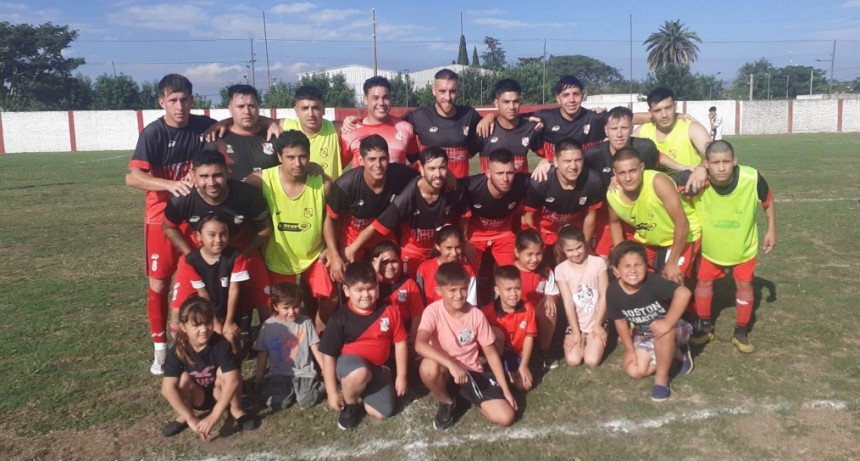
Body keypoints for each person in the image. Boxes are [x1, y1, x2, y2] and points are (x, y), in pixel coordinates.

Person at [126, 73, 216, 375]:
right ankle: (161, 349)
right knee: (160, 283)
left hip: (194, 215)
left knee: (198, 277)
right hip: (160, 218)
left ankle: (196, 340)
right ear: (162, 102)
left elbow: (230, 124)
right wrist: (171, 184)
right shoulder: (153, 133)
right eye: (173, 100)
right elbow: (132, 177)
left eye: (185, 99)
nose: (179, 105)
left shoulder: (203, 126)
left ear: (192, 101)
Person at [163, 149, 272, 349]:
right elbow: (168, 226)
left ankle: (272, 352)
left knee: (267, 303)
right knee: (177, 310)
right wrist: (192, 256)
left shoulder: (247, 195)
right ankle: (181, 353)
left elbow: (265, 228)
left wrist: (242, 255)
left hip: (240, 249)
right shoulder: (183, 197)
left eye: (217, 175)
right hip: (199, 251)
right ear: (193, 176)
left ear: (227, 172)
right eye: (204, 176)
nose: (211, 182)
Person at [689, 140, 776, 353]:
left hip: (743, 247)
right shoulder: (698, 182)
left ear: (735, 161)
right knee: (703, 283)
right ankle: (705, 326)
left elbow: (767, 199)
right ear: (706, 164)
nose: (721, 167)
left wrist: (771, 229)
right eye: (715, 162)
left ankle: (741, 331)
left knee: (745, 286)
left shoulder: (751, 177)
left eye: (726, 162)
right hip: (711, 248)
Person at [248, 130, 335, 333]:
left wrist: (331, 248)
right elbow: (233, 192)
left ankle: (316, 338)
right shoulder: (260, 181)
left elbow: (329, 217)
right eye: (290, 157)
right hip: (278, 258)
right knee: (281, 308)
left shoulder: (323, 183)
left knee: (330, 299)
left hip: (313, 256)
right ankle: (282, 351)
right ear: (279, 157)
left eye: (303, 156)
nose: (298, 163)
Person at [415, 262, 517, 430]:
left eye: (463, 289)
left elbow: (491, 354)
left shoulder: (476, 314)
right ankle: (446, 401)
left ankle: (467, 396)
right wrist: (451, 365)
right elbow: (419, 344)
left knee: (506, 417)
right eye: (452, 290)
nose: (459, 295)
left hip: (470, 372)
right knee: (428, 367)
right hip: (446, 371)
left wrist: (506, 391)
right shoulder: (432, 311)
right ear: (439, 291)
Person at [346, 146, 466, 278]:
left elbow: (463, 216)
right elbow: (377, 225)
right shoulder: (406, 197)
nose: (437, 174)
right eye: (431, 169)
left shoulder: (453, 189)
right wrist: (352, 248)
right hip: (411, 252)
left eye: (442, 168)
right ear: (421, 168)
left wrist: (465, 241)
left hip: (439, 250)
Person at [319, 262, 408, 430]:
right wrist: (331, 393)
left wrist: (401, 376)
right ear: (346, 291)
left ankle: (363, 389)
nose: (366, 295)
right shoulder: (339, 318)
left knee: (383, 412)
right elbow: (328, 356)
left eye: (370, 288)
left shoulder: (390, 310)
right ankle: (351, 404)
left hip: (378, 368)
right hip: (351, 367)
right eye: (359, 290)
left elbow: (400, 342)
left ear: (378, 287)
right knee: (360, 373)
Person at [605, 241, 694, 402]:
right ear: (616, 271)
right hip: (645, 334)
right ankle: (676, 354)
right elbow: (620, 322)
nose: (633, 270)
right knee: (634, 370)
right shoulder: (612, 291)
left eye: (638, 265)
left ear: (646, 266)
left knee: (661, 330)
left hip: (674, 328)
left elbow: (684, 293)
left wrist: (667, 322)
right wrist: (630, 350)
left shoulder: (653, 283)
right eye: (627, 266)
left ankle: (662, 380)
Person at [160, 296, 259, 439]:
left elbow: (233, 381)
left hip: (221, 393)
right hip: (197, 397)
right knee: (183, 378)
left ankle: (237, 410)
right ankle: (185, 415)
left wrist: (214, 416)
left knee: (226, 373)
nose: (204, 329)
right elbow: (167, 389)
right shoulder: (177, 350)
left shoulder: (221, 344)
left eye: (208, 323)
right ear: (183, 326)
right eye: (196, 325)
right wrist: (191, 418)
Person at [325, 134, 419, 280]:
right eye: (372, 159)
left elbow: (423, 173)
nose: (378, 165)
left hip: (383, 236)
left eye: (382, 158)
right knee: (352, 280)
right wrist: (334, 253)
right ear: (361, 160)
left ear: (388, 158)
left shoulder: (399, 174)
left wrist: (448, 174)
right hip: (351, 238)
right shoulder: (345, 185)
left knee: (390, 275)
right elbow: (330, 219)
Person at [606, 147, 702, 286]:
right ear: (615, 173)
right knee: (632, 276)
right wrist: (621, 258)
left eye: (632, 171)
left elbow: (682, 223)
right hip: (650, 238)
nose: (628, 178)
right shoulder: (612, 194)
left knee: (670, 280)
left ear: (642, 167)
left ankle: (688, 299)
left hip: (683, 235)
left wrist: (672, 262)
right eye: (622, 173)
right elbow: (614, 224)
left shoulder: (657, 182)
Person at [170, 214, 249, 353]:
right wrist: (215, 323)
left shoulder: (236, 256)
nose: (218, 240)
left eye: (223, 234)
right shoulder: (191, 260)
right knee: (202, 341)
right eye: (211, 235)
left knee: (229, 338)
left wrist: (229, 323)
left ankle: (234, 367)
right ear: (199, 236)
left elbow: (234, 290)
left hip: (230, 311)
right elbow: (203, 293)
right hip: (207, 312)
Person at [523, 138, 605, 260]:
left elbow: (590, 216)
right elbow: (528, 217)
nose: (573, 166)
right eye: (567, 161)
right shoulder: (541, 182)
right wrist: (534, 247)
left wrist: (586, 246)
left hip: (573, 233)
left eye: (578, 160)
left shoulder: (593, 181)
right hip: (544, 233)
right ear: (555, 161)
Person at [253, 281, 324, 410]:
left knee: (306, 401)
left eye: (296, 306)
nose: (291, 312)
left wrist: (324, 368)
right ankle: (284, 392)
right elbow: (263, 352)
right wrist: (259, 376)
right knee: (277, 403)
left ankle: (320, 386)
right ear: (275, 306)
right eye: (286, 308)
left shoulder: (305, 322)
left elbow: (314, 346)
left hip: (304, 372)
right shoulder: (268, 326)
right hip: (280, 373)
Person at [403, 68, 483, 178]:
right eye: (442, 91)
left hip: (459, 189)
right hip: (430, 189)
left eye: (452, 91)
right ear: (433, 90)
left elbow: (487, 131)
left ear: (458, 91)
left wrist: (490, 118)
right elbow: (396, 129)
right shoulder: (419, 116)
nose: (448, 97)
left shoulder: (469, 115)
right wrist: (414, 159)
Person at [461, 148, 530, 272]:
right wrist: (463, 241)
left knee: (515, 272)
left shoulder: (523, 183)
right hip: (475, 234)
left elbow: (548, 178)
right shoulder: (470, 187)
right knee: (464, 273)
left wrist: (546, 162)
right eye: (499, 173)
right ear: (488, 173)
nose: (505, 179)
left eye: (509, 173)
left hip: (504, 232)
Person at [553, 225, 608, 368]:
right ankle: (582, 336)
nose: (575, 253)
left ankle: (594, 336)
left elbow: (604, 295)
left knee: (592, 361)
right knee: (573, 360)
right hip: (576, 323)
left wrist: (597, 325)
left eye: (578, 247)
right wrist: (576, 332)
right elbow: (568, 302)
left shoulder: (598, 263)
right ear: (563, 250)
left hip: (597, 319)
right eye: (570, 250)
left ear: (584, 244)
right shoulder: (560, 270)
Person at [480, 265, 538, 392]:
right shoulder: (487, 312)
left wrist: (524, 366)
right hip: (498, 352)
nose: (513, 294)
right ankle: (497, 370)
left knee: (523, 386)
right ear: (497, 290)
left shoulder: (528, 309)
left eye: (517, 288)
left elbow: (529, 338)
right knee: (495, 333)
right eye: (508, 289)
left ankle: (512, 371)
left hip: (517, 353)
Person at [340, 76, 418, 167]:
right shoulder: (351, 130)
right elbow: (337, 168)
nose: (381, 103)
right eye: (375, 98)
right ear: (365, 99)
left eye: (385, 97)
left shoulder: (405, 128)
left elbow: (417, 164)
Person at [207, 84, 279, 181]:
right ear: (230, 109)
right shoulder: (217, 139)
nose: (247, 111)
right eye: (240, 106)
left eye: (251, 106)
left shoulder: (275, 135)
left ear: (258, 107)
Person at [634, 87, 711, 175]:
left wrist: (702, 169)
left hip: (687, 186)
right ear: (650, 112)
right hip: (654, 188)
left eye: (668, 108)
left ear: (675, 106)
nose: (664, 115)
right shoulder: (641, 132)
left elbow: (715, 155)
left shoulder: (692, 128)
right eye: (657, 110)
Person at [513, 229, 560, 371]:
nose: (534, 259)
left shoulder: (545, 271)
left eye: (538, 254)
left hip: (537, 313)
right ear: (517, 252)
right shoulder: (509, 271)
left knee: (550, 309)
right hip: (517, 313)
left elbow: (553, 292)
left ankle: (544, 351)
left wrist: (551, 297)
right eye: (529, 254)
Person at [370, 241, 425, 350]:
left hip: (403, 337)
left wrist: (412, 341)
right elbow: (368, 308)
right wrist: (374, 273)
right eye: (384, 262)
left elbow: (417, 314)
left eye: (394, 261)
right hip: (376, 336)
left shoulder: (409, 283)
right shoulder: (370, 285)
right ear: (375, 263)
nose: (390, 266)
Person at [478, 79, 541, 173]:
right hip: (490, 187)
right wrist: (489, 116)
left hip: (521, 187)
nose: (512, 107)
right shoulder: (484, 128)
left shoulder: (530, 128)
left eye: (515, 101)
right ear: (496, 103)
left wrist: (546, 161)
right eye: (506, 102)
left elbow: (550, 155)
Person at [281, 85, 344, 179]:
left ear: (323, 109)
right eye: (305, 108)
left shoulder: (336, 128)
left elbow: (366, 124)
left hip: (331, 192)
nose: (311, 114)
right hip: (300, 193)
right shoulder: (287, 126)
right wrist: (272, 125)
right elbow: (261, 121)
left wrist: (354, 119)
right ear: (296, 110)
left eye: (316, 108)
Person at [415, 225, 478, 305]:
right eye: (449, 248)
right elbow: (419, 302)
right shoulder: (424, 269)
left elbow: (471, 303)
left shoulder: (467, 269)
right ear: (438, 246)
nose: (454, 253)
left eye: (457, 247)